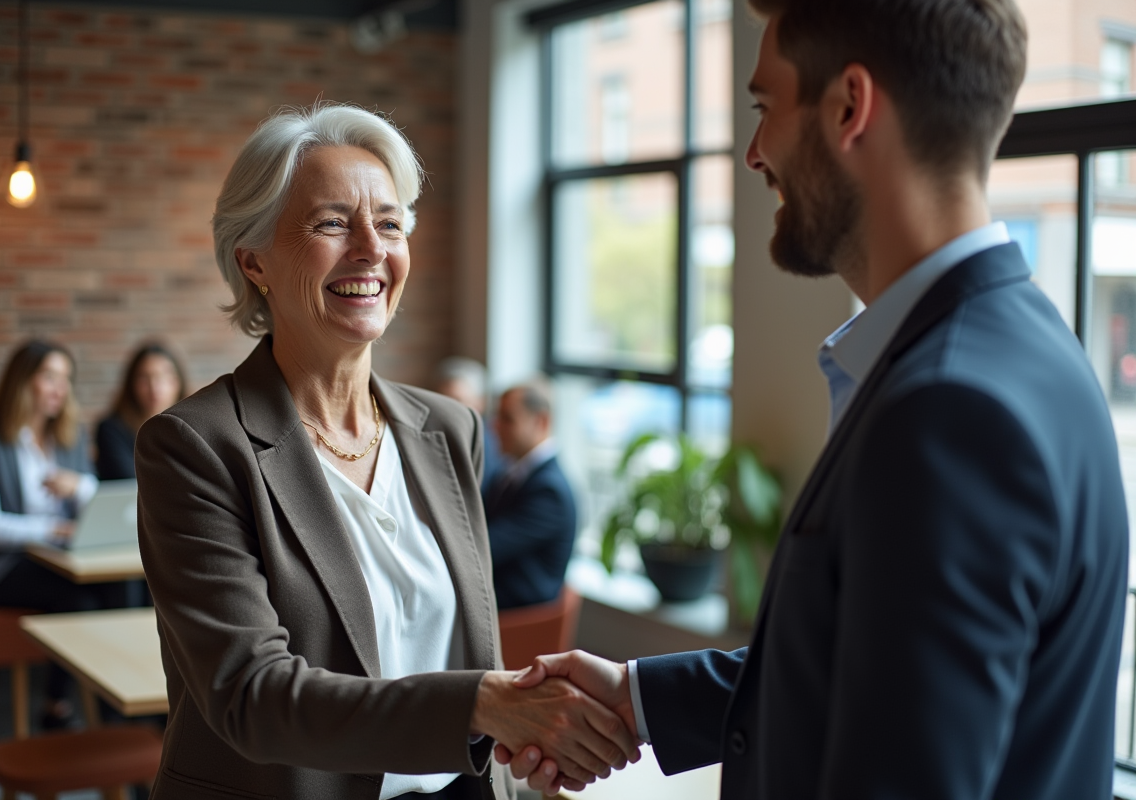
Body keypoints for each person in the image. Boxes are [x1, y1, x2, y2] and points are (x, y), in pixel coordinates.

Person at [500, 1, 1129, 798]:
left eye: (765, 109)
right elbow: (882, 675)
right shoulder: (1033, 344)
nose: (755, 153)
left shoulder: (948, 414)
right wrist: (641, 698)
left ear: (849, 107)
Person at [134, 103, 639, 800]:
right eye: (333, 222)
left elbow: (470, 651)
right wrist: (480, 704)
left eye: (391, 221)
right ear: (254, 260)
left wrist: (522, 740)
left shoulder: (451, 428)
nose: (371, 247)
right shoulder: (195, 446)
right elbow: (251, 695)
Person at [0, 339, 125, 729]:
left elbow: (95, 501)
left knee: (120, 593)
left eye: (65, 379)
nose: (60, 389)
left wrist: (77, 487)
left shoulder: (68, 436)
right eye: (49, 377)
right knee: (81, 603)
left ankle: (122, 714)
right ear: (21, 381)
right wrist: (54, 529)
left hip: (59, 558)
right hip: (0, 567)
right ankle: (58, 704)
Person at [485, 381, 576, 610]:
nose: (495, 426)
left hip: (519, 615)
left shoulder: (549, 491)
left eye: (507, 419)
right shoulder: (510, 471)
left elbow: (486, 547)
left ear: (541, 422)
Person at [95, 342, 186, 481]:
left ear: (177, 382)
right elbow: (129, 480)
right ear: (132, 384)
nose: (154, 387)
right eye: (144, 378)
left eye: (162, 376)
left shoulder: (191, 427)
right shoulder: (112, 429)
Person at [434, 357, 500, 488]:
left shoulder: (496, 445)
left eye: (458, 401)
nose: (448, 410)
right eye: (442, 400)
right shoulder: (433, 437)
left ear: (480, 402)